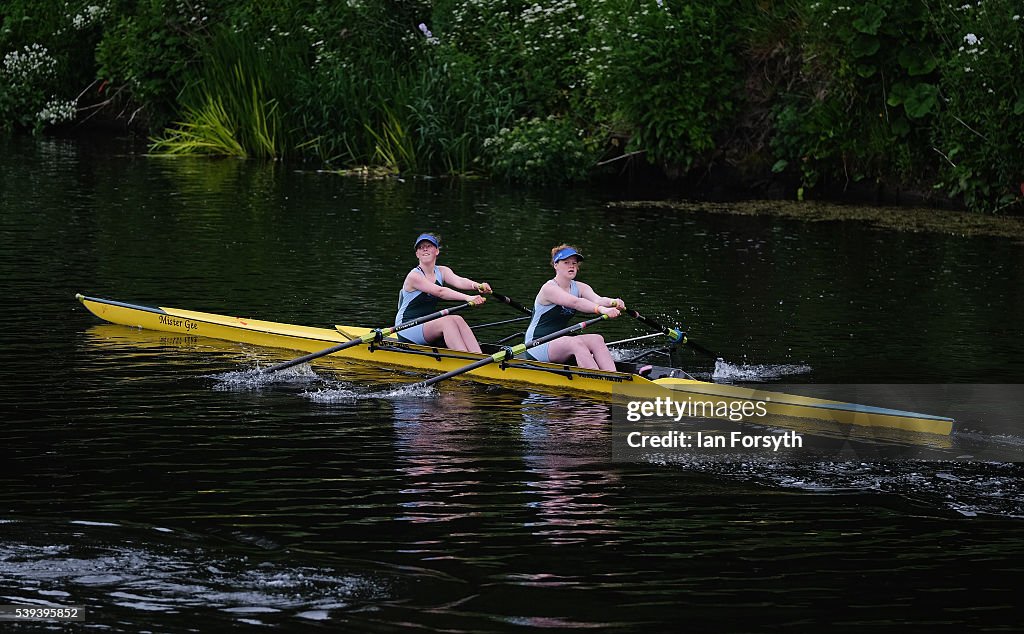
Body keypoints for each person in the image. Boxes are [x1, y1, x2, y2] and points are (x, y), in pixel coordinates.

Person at [520, 244, 624, 371]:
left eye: (574, 263)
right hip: (536, 345)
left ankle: (613, 377)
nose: (572, 266)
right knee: (574, 342)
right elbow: (576, 303)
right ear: (555, 265)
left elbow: (599, 300)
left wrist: (614, 302)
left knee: (597, 339)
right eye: (566, 262)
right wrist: (603, 310)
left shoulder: (580, 287)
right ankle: (595, 379)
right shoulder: (549, 288)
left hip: (559, 343)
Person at [396, 233, 491, 353]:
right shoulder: (414, 276)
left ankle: (478, 356)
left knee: (457, 319)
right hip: (406, 327)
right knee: (447, 322)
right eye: (420, 247)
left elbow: (459, 281)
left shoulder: (442, 271)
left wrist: (477, 286)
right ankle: (465, 360)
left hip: (425, 324)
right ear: (417, 254)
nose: (424, 249)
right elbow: (440, 291)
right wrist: (468, 298)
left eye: (429, 246)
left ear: (436, 251)